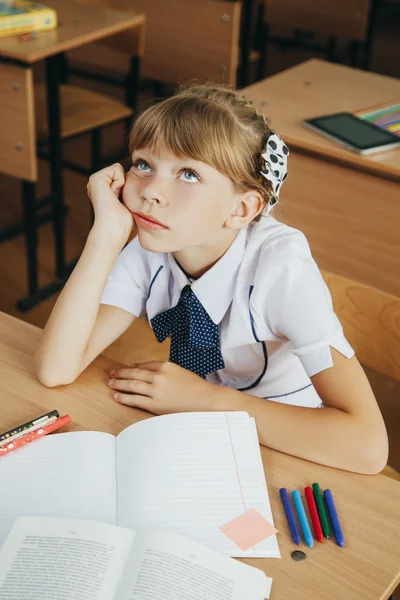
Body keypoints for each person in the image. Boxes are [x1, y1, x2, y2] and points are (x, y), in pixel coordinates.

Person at [35, 83, 388, 474]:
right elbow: (56, 369)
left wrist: (205, 399)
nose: (151, 191)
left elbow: (368, 446)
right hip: (197, 426)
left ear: (241, 209)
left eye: (188, 174)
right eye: (144, 164)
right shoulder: (150, 248)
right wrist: (105, 236)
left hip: (290, 441)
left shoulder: (281, 271)